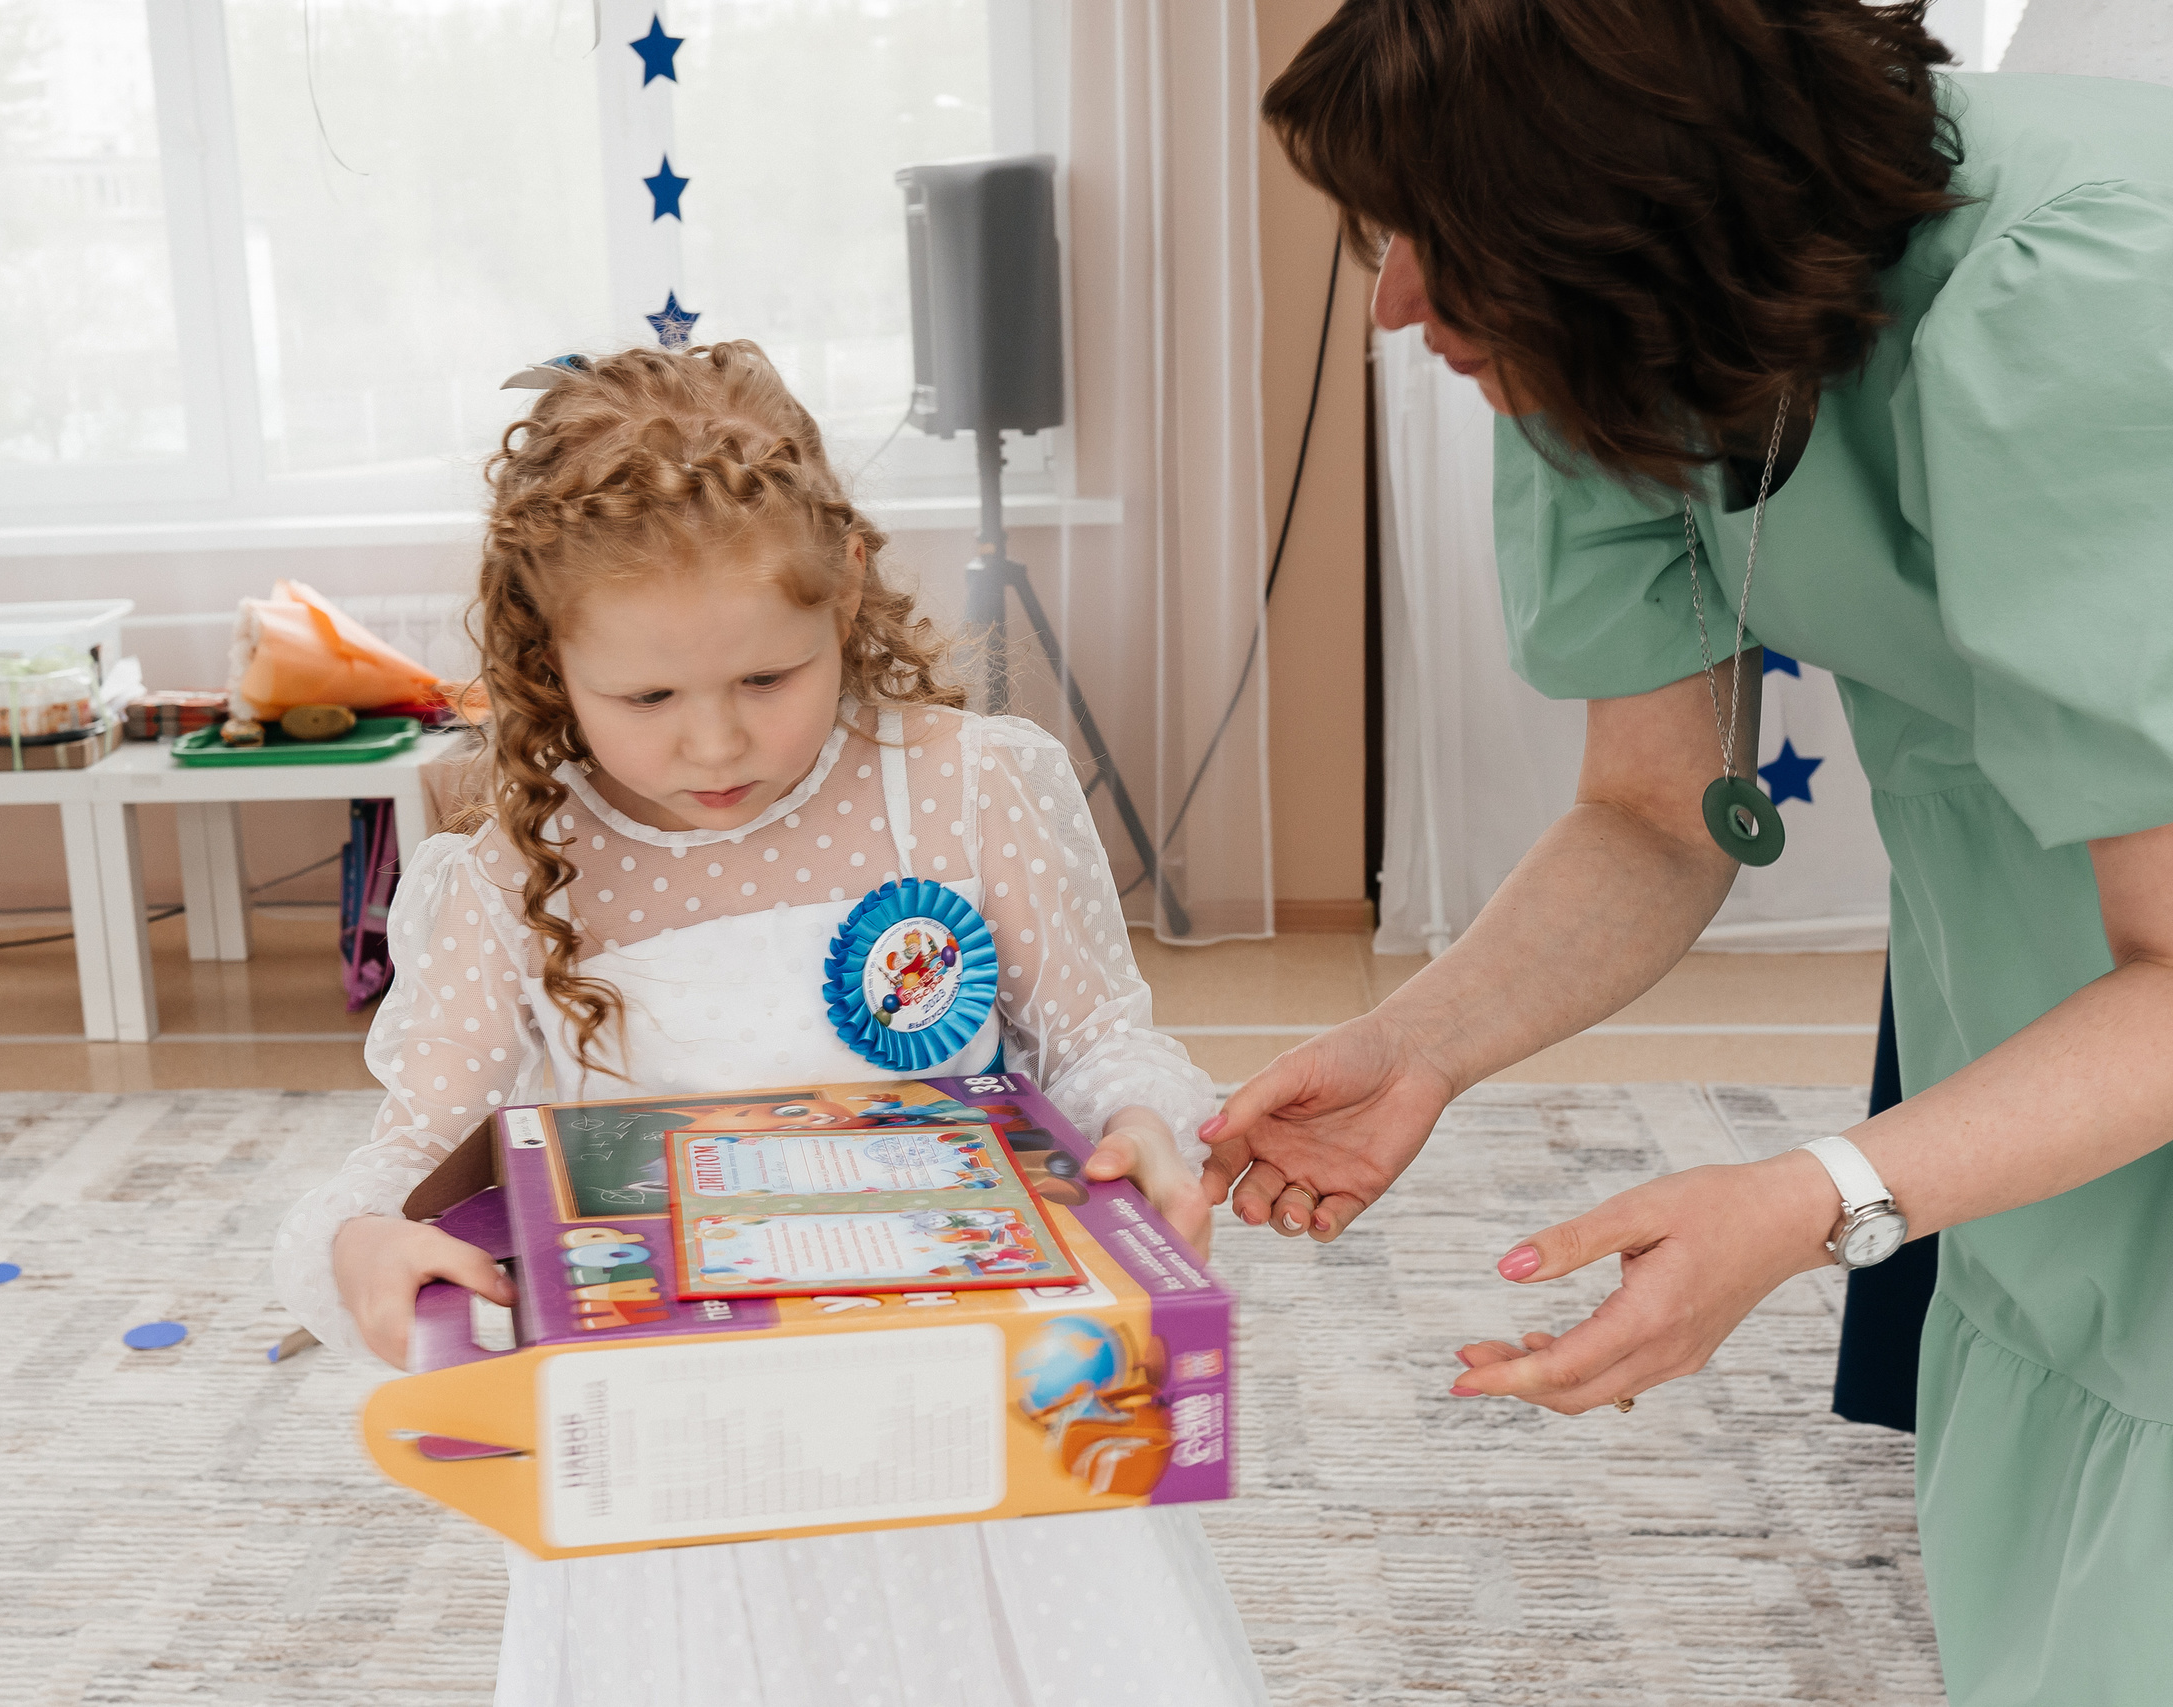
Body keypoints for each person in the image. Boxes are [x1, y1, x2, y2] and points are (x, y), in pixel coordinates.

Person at [1212, 4, 2173, 1701]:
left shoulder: (2083, 301)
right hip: (2041, 1034)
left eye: (1440, 236)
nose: (1397, 301)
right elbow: (1657, 812)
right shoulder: (1611, 342)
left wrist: (1819, 1199)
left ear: (1629, 202)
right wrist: (1415, 1048)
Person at [273, 342, 1268, 1707]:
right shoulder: (518, 870)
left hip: (980, 1432)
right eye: (649, 700)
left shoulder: (973, 789)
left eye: (766, 680)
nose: (716, 747)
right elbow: (401, 1160)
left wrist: (1143, 1123)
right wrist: (365, 1241)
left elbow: (1100, 1042)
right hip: (694, 1482)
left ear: (847, 581)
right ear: (546, 657)